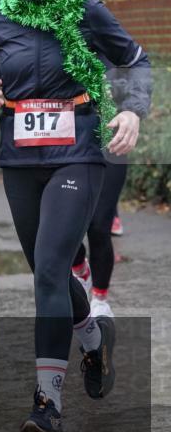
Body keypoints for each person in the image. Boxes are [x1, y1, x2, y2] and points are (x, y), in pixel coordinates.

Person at [0, 0, 151, 432]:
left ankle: (47, 402)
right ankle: (92, 339)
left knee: (49, 268)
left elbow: (134, 59)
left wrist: (131, 110)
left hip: (78, 149)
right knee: (48, 272)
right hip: (22, 158)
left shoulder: (84, 7)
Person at [70, 56, 135, 319]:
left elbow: (135, 91)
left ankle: (99, 299)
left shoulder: (114, 45)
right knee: (69, 225)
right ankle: (79, 266)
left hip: (110, 146)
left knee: (99, 224)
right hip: (69, 147)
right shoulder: (58, 40)